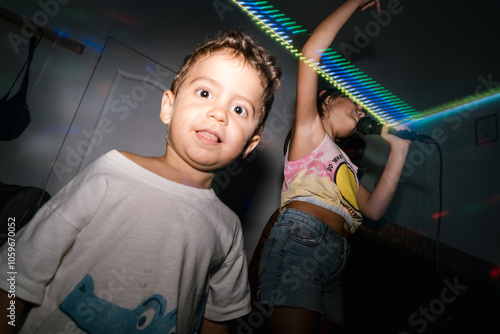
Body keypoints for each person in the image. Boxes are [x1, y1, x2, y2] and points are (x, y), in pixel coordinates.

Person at [0, 30, 282, 334]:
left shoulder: (228, 228)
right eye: (204, 93)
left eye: (239, 109)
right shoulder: (111, 171)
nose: (218, 113)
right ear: (168, 107)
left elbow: (218, 318)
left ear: (250, 144)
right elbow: (18, 270)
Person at [257, 0, 411, 333]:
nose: (360, 111)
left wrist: (399, 150)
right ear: (326, 99)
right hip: (302, 239)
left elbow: (374, 209)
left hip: (337, 255)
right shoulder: (310, 131)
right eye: (354, 102)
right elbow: (312, 51)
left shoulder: (347, 166)